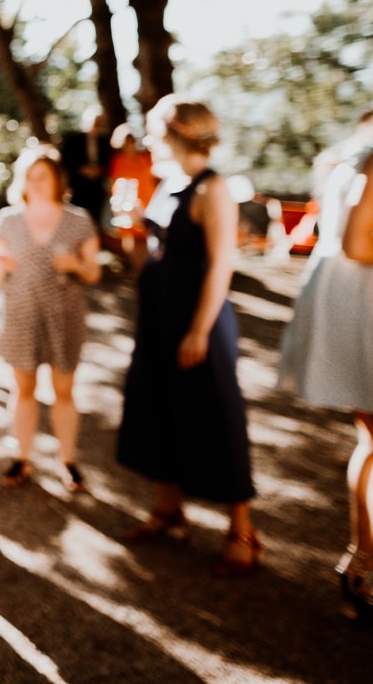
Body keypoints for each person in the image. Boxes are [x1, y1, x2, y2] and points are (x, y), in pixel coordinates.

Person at [115, 95, 261, 576]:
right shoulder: (167, 182)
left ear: (176, 131)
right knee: (157, 405)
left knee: (217, 411)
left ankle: (242, 529)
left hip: (199, 316)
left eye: (155, 130)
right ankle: (168, 509)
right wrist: (134, 228)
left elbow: (222, 262)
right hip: (158, 312)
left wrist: (199, 329)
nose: (148, 139)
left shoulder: (212, 187)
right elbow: (154, 253)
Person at [277, 96, 373, 623]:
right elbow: (358, 244)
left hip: (358, 304)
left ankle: (363, 556)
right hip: (371, 310)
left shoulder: (363, 153)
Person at [0, 146, 100, 492]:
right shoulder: (9, 220)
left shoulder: (79, 220)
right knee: (23, 388)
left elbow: (94, 272)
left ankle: (68, 462)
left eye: (44, 176)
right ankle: (22, 458)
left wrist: (76, 265)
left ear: (59, 180)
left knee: (64, 390)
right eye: (30, 176)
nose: (37, 183)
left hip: (65, 315)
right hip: (22, 312)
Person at [108, 123, 156, 275]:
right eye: (126, 142)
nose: (130, 145)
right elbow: (112, 182)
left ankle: (150, 270)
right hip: (126, 204)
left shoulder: (145, 159)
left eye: (131, 141)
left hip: (147, 201)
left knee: (148, 236)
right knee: (130, 236)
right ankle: (140, 271)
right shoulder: (116, 161)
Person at [61, 106, 112, 229]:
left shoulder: (104, 141)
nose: (97, 126)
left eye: (100, 123)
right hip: (78, 187)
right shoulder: (73, 140)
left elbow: (108, 162)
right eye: (95, 122)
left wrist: (100, 171)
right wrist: (81, 170)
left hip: (97, 187)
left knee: (95, 217)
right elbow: (66, 161)